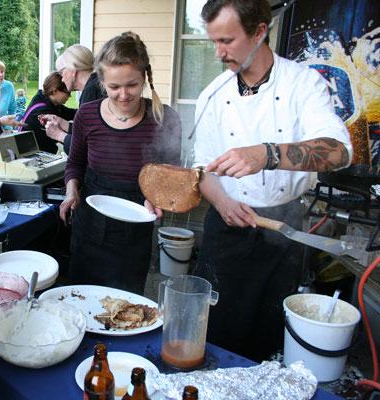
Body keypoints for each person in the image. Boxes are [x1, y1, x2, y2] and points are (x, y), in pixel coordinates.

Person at [191, 0, 352, 362]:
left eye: (227, 41)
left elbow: (339, 152)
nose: (219, 53)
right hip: (226, 227)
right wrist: (222, 201)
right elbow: (202, 169)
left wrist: (267, 154)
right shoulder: (213, 94)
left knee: (267, 332)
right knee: (216, 329)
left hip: (282, 228)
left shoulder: (303, 84)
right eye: (214, 41)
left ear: (260, 31)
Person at [61, 32, 182, 294]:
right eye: (114, 87)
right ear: (102, 82)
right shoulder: (87, 115)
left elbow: (172, 178)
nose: (124, 95)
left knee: (126, 306)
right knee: (80, 298)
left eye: (132, 85)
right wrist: (71, 191)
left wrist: (157, 199)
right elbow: (75, 163)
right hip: (89, 226)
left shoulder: (165, 119)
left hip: (135, 229)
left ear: (145, 78)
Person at [42, 44, 107, 154]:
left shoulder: (91, 93)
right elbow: (86, 131)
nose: (62, 79)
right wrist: (61, 122)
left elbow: (87, 146)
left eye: (61, 73)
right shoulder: (95, 85)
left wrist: (59, 135)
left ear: (72, 69)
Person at [20, 72, 76, 154]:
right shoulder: (42, 110)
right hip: (29, 153)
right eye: (67, 92)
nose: (69, 96)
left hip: (41, 151)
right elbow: (61, 133)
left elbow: (71, 113)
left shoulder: (49, 102)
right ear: (55, 91)